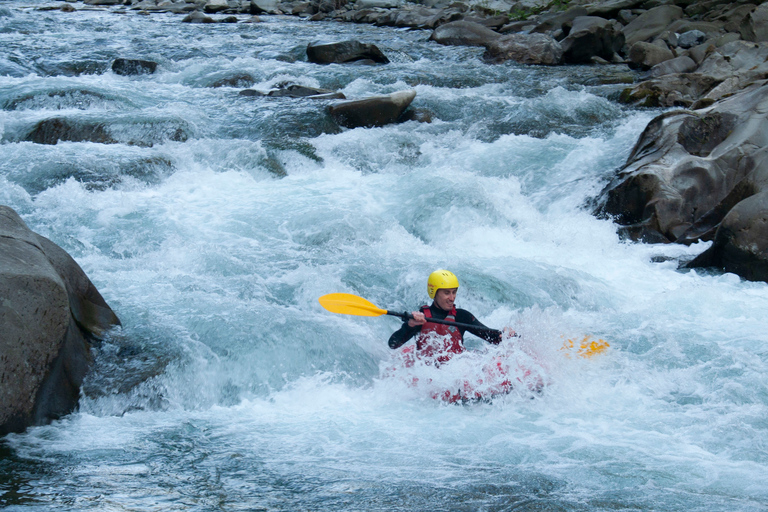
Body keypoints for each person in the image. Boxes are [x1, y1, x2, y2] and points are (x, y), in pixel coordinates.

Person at [388, 269, 513, 365]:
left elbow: (491, 337)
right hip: (429, 374)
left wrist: (505, 335)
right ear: (434, 293)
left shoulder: (461, 316)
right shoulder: (421, 318)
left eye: (454, 292)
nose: (452, 298)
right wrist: (409, 326)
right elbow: (393, 344)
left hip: (455, 372)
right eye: (446, 293)